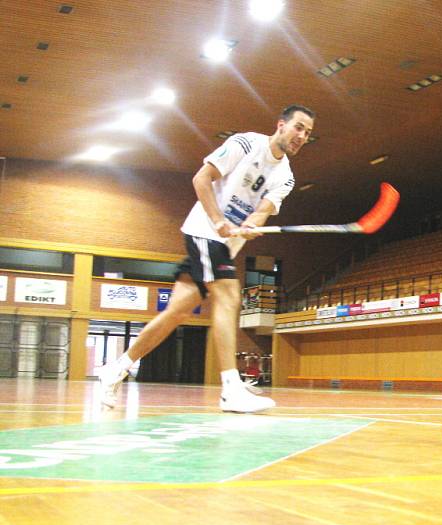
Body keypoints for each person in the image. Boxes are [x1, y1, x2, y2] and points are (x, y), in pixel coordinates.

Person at [98, 105, 315, 413]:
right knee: (229, 298)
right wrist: (218, 220)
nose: (302, 136)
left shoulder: (286, 176)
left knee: (175, 313)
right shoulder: (245, 144)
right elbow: (202, 179)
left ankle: (117, 367)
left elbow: (263, 209)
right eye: (299, 127)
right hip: (205, 231)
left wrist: (253, 223)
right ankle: (230, 389)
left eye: (307, 133)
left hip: (225, 246)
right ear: (281, 124)